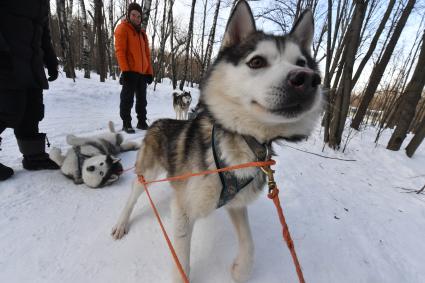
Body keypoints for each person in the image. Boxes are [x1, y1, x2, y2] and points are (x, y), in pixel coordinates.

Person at [0, 0, 60, 181]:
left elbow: (43, 33)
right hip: (6, 60)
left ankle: (33, 156)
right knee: (8, 109)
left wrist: (50, 60)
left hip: (31, 62)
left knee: (32, 110)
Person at [115, 2, 154, 134]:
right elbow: (120, 51)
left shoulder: (142, 34)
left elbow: (147, 55)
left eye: (139, 16)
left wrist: (149, 72)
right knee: (127, 98)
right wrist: (125, 71)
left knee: (142, 100)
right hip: (130, 72)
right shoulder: (122, 28)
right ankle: (126, 123)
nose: (136, 18)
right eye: (134, 15)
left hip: (142, 73)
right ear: (129, 14)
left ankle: (141, 122)